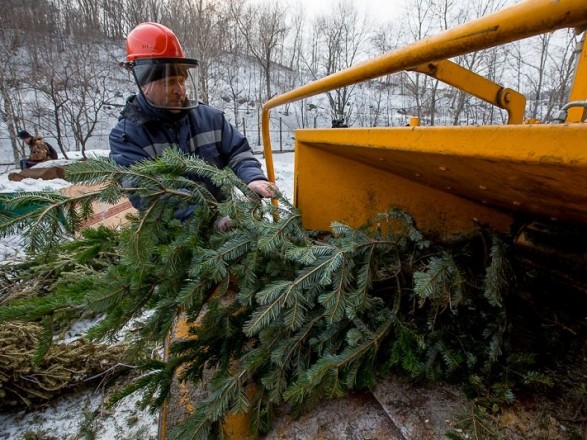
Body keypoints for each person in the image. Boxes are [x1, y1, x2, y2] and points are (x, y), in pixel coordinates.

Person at [109, 22, 277, 229]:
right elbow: (149, 193)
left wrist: (252, 179)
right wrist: (209, 219)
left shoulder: (211, 118)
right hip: (173, 239)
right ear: (144, 83)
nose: (180, 90)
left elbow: (239, 153)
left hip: (227, 222)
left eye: (182, 81)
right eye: (169, 82)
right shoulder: (127, 137)